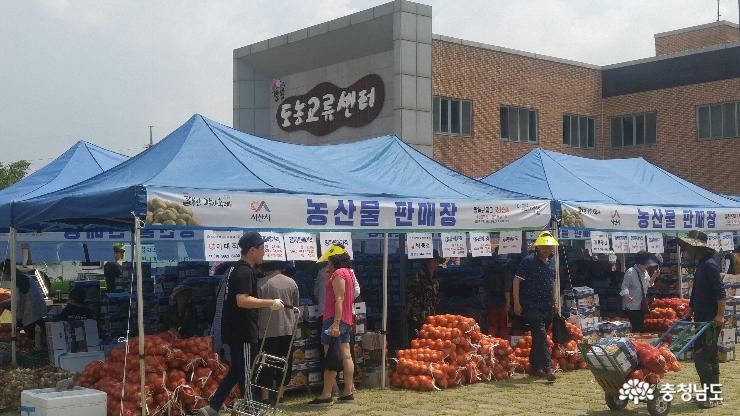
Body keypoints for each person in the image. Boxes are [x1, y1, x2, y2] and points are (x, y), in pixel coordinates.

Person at [199, 233, 285, 416]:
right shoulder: (244, 271)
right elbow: (242, 300)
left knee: (238, 370)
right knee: (246, 371)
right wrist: (271, 303)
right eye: (262, 249)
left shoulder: (234, 269)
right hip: (243, 330)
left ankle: (212, 407)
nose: (264, 253)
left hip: (234, 329)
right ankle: (251, 409)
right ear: (252, 250)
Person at [679, 231, 726, 408]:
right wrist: (690, 310)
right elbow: (696, 293)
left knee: (703, 358)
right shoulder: (701, 266)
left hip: (710, 322)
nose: (688, 251)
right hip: (701, 320)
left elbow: (721, 293)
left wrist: (720, 315)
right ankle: (713, 394)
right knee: (709, 357)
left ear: (698, 248)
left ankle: (712, 396)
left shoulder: (710, 266)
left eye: (690, 247)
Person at [308, 244, 356, 407]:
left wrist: (335, 322)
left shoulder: (338, 273)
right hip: (347, 319)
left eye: (328, 260)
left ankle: (326, 394)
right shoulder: (349, 273)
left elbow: (339, 299)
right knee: (346, 355)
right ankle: (348, 392)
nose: (327, 263)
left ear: (333, 259)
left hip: (334, 319)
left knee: (330, 356)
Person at [512, 231, 559, 382]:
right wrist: (517, 302)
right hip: (530, 305)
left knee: (538, 337)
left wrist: (555, 301)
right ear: (537, 247)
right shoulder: (528, 261)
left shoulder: (551, 263)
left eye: (549, 247)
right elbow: (516, 281)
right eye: (544, 247)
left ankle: (533, 366)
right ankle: (547, 368)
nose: (547, 250)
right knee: (541, 335)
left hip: (546, 305)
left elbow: (551, 284)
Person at [255, 261, 299, 404]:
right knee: (285, 362)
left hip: (267, 329)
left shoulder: (261, 284)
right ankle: (280, 395)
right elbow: (295, 305)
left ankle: (265, 396)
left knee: (266, 362)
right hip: (288, 327)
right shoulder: (292, 282)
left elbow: (255, 307)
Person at [0, 259, 47, 349]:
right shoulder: (25, 277)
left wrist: (17, 317)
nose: (1, 276)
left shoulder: (17, 280)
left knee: (35, 341)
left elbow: (17, 300)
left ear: (5, 271)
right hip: (38, 313)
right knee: (40, 338)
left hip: (31, 316)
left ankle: (36, 355)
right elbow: (18, 298)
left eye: (0, 274)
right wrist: (4, 303)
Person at [406, 249, 446, 341]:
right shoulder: (418, 275)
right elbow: (411, 294)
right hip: (418, 314)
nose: (437, 263)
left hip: (432, 313)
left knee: (430, 338)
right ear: (428, 261)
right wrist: (409, 311)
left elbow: (436, 294)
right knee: (418, 338)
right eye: (434, 261)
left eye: (437, 261)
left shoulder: (435, 276)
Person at [620, 251, 659, 333]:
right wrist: (627, 295)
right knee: (637, 328)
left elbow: (649, 284)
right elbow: (624, 286)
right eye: (645, 265)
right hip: (631, 306)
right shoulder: (630, 272)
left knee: (640, 328)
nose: (647, 266)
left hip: (641, 305)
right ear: (639, 264)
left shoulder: (645, 273)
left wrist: (654, 276)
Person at [484, 263, 512, 337]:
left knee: (492, 325)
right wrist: (508, 303)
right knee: (504, 325)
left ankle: (489, 344)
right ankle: (503, 345)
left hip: (491, 300)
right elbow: (507, 289)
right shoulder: (507, 270)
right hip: (502, 301)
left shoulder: (489, 269)